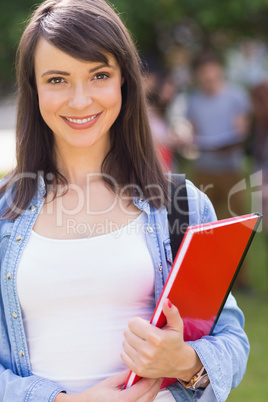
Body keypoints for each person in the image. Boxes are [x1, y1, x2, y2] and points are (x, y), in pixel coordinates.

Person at [0, 1, 249, 401]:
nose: (80, 101)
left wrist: (185, 362)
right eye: (57, 80)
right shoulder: (3, 214)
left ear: (124, 82)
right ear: (33, 89)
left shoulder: (181, 203)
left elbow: (231, 340)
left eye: (99, 75)